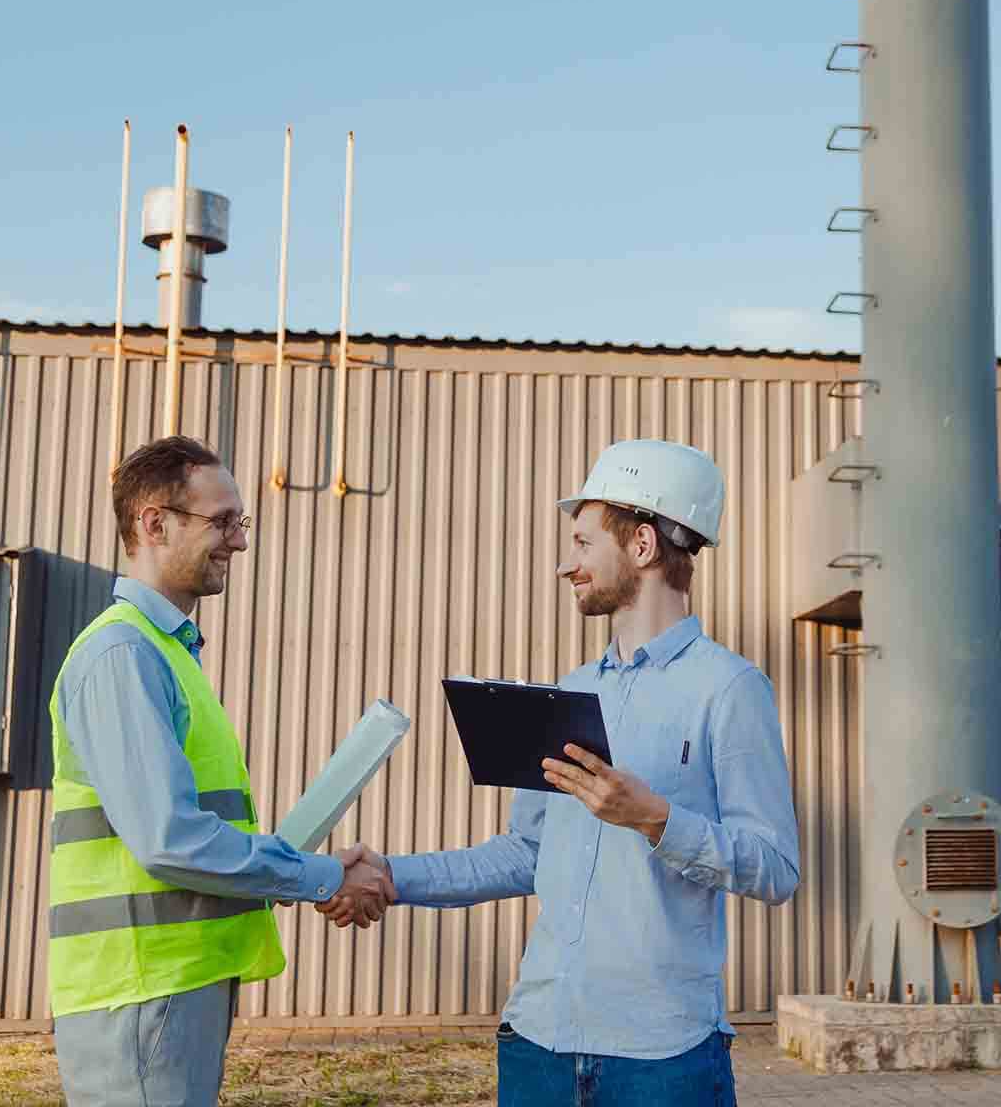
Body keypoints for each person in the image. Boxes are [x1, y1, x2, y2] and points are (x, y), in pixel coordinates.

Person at [321, 439, 800, 1107]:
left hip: (660, 1062)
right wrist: (392, 877)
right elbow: (528, 853)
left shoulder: (730, 690)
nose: (564, 565)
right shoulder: (569, 693)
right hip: (538, 1043)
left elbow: (776, 867)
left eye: (582, 544)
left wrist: (657, 821)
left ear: (641, 546)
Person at [49, 435, 393, 1107]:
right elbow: (170, 839)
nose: (239, 540)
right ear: (154, 523)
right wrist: (323, 875)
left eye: (241, 522)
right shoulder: (123, 655)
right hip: (142, 994)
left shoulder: (165, 653)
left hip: (168, 988)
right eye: (222, 521)